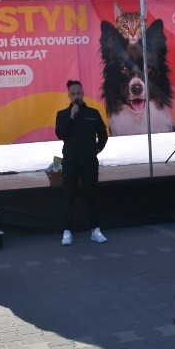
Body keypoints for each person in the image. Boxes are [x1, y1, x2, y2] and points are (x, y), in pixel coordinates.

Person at [55, 80, 109, 246]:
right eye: (73, 94)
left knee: (92, 196)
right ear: (69, 95)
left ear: (83, 93)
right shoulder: (63, 114)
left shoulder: (93, 113)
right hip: (71, 162)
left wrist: (97, 149)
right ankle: (67, 231)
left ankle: (95, 230)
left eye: (79, 93)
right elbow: (61, 134)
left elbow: (103, 134)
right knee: (68, 197)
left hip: (89, 161)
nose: (76, 96)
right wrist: (71, 117)